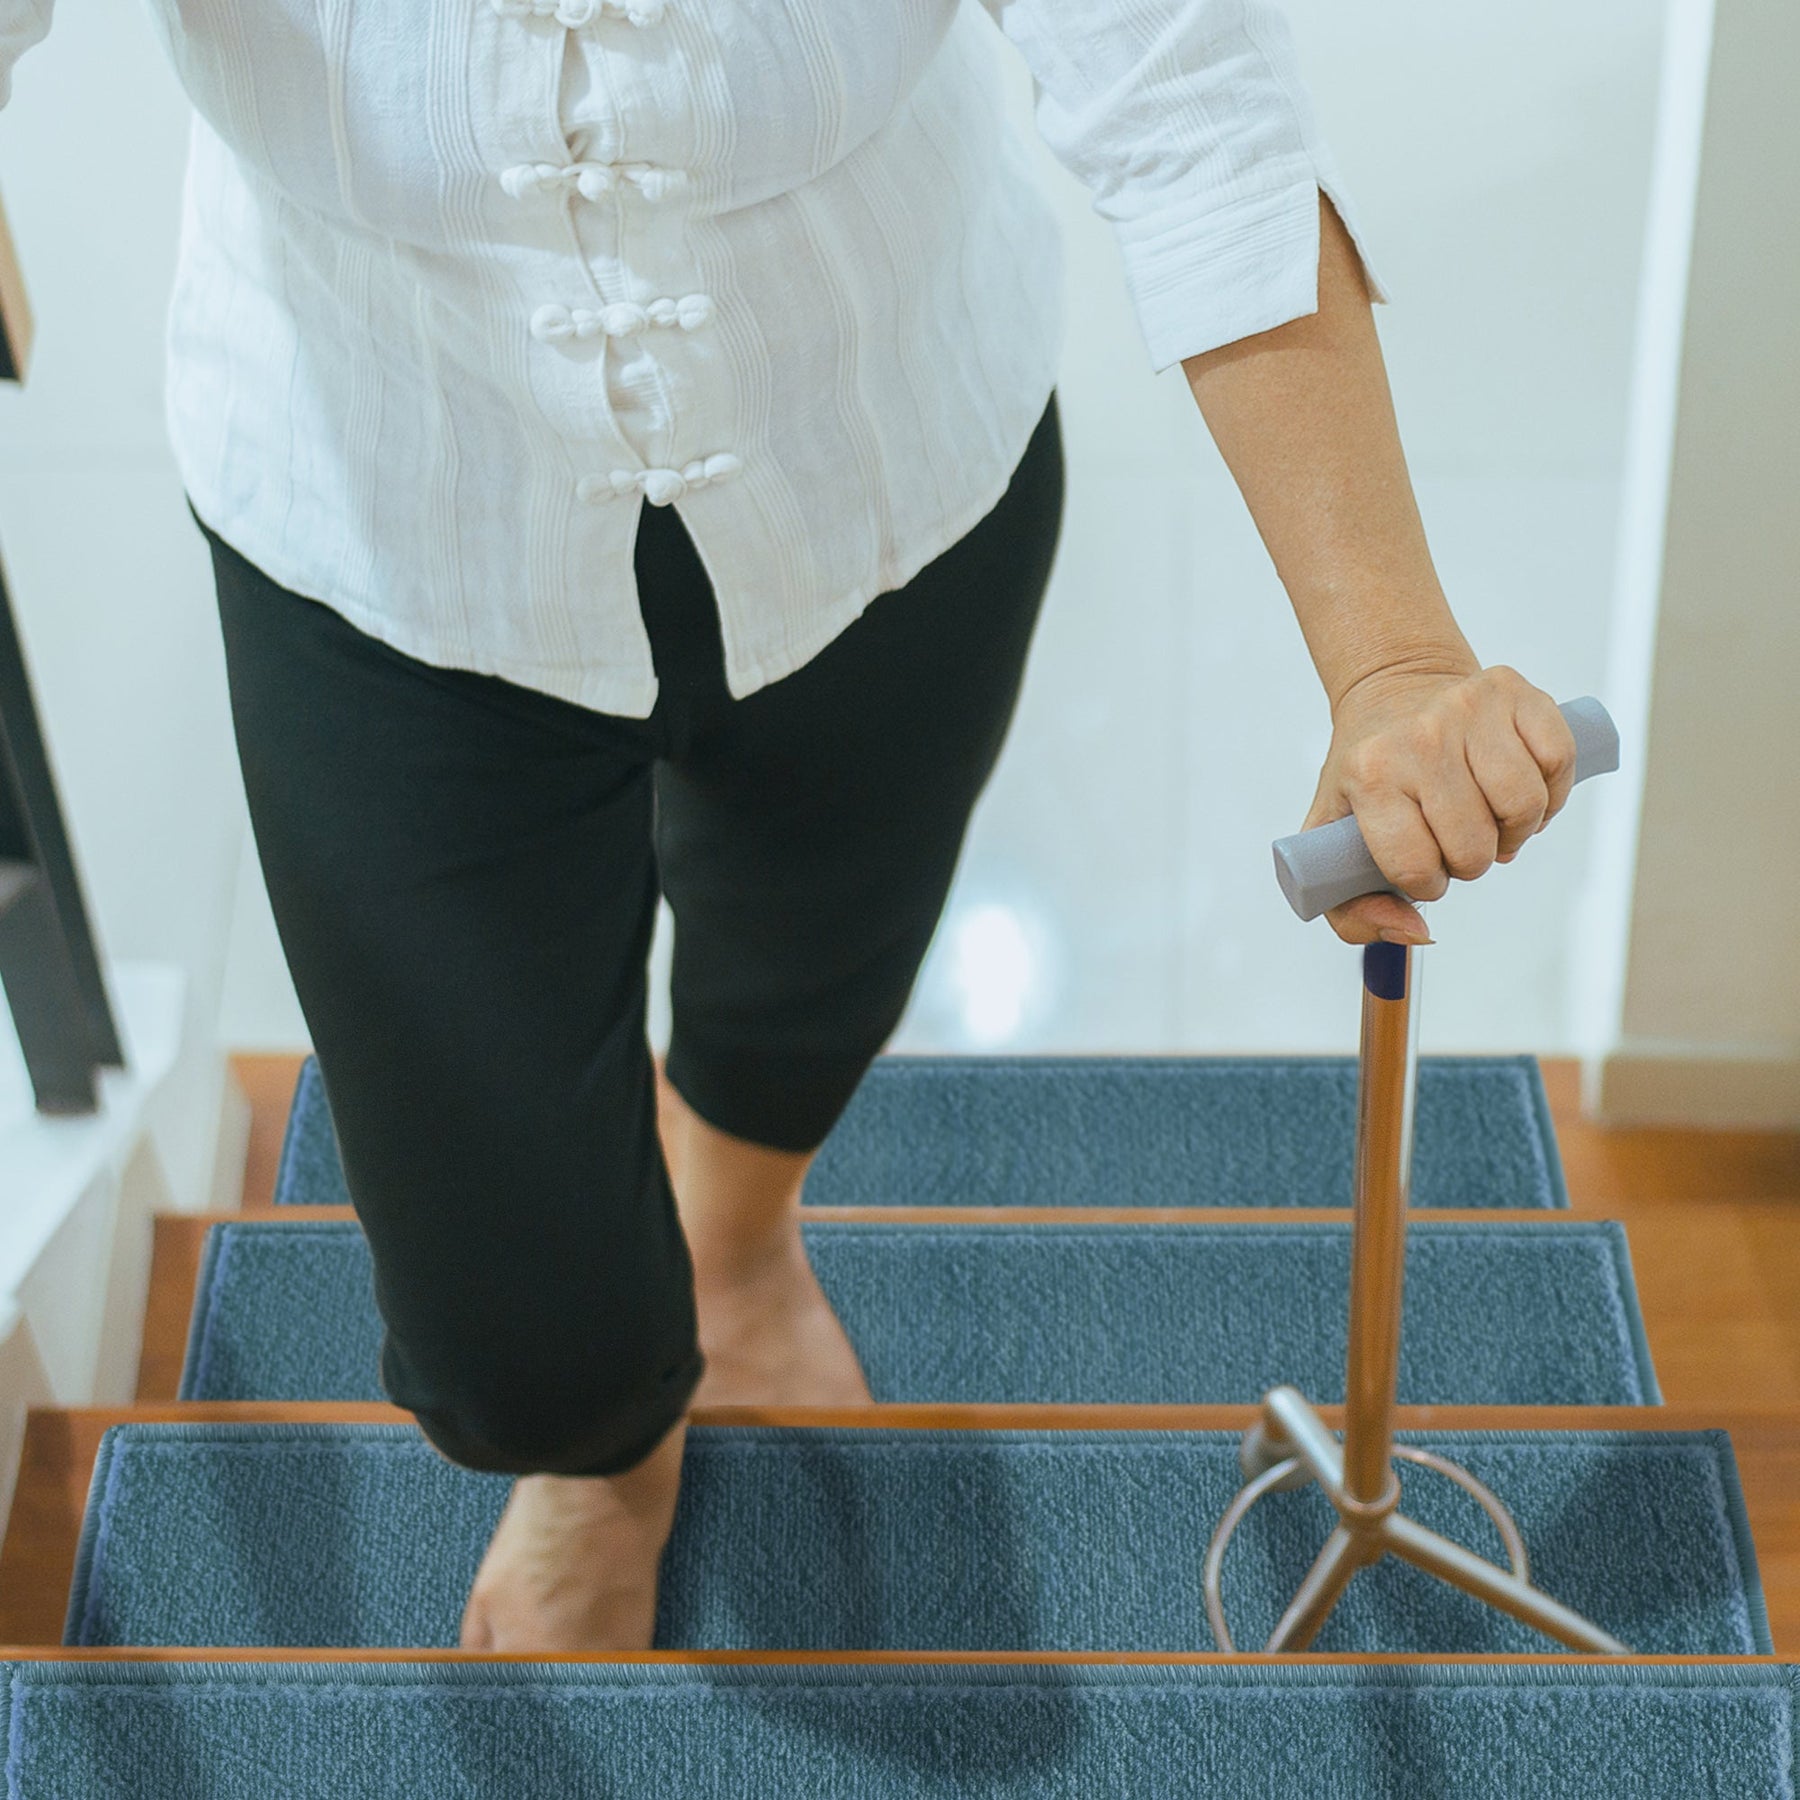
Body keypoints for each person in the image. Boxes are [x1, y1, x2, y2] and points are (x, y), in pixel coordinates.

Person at [0, 0, 1577, 1652]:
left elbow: (1187, 88)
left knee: (811, 961)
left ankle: (738, 1242)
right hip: (391, 503)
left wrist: (1390, 659)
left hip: (874, 449)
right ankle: (596, 1460)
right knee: (504, 1320)